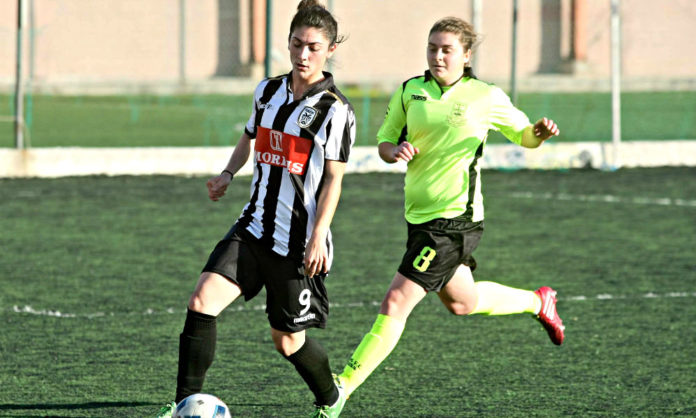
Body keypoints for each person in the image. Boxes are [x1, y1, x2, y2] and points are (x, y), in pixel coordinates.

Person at [336, 16, 565, 405]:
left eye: (447, 50)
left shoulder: (485, 96)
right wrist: (395, 151)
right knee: (463, 302)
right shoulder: (410, 91)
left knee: (396, 302)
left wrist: (538, 134)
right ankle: (537, 301)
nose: (438, 56)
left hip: (455, 220)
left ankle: (341, 387)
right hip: (419, 218)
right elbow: (385, 141)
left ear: (466, 55)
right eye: (432, 48)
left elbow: (524, 135)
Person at [156, 1, 354, 417]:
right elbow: (250, 137)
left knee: (287, 342)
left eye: (314, 47)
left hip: (297, 242)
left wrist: (319, 234)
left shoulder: (335, 110)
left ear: (331, 49)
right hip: (253, 226)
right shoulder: (267, 90)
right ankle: (181, 406)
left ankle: (331, 397)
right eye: (297, 44)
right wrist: (227, 173)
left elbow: (333, 179)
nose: (303, 55)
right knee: (201, 302)